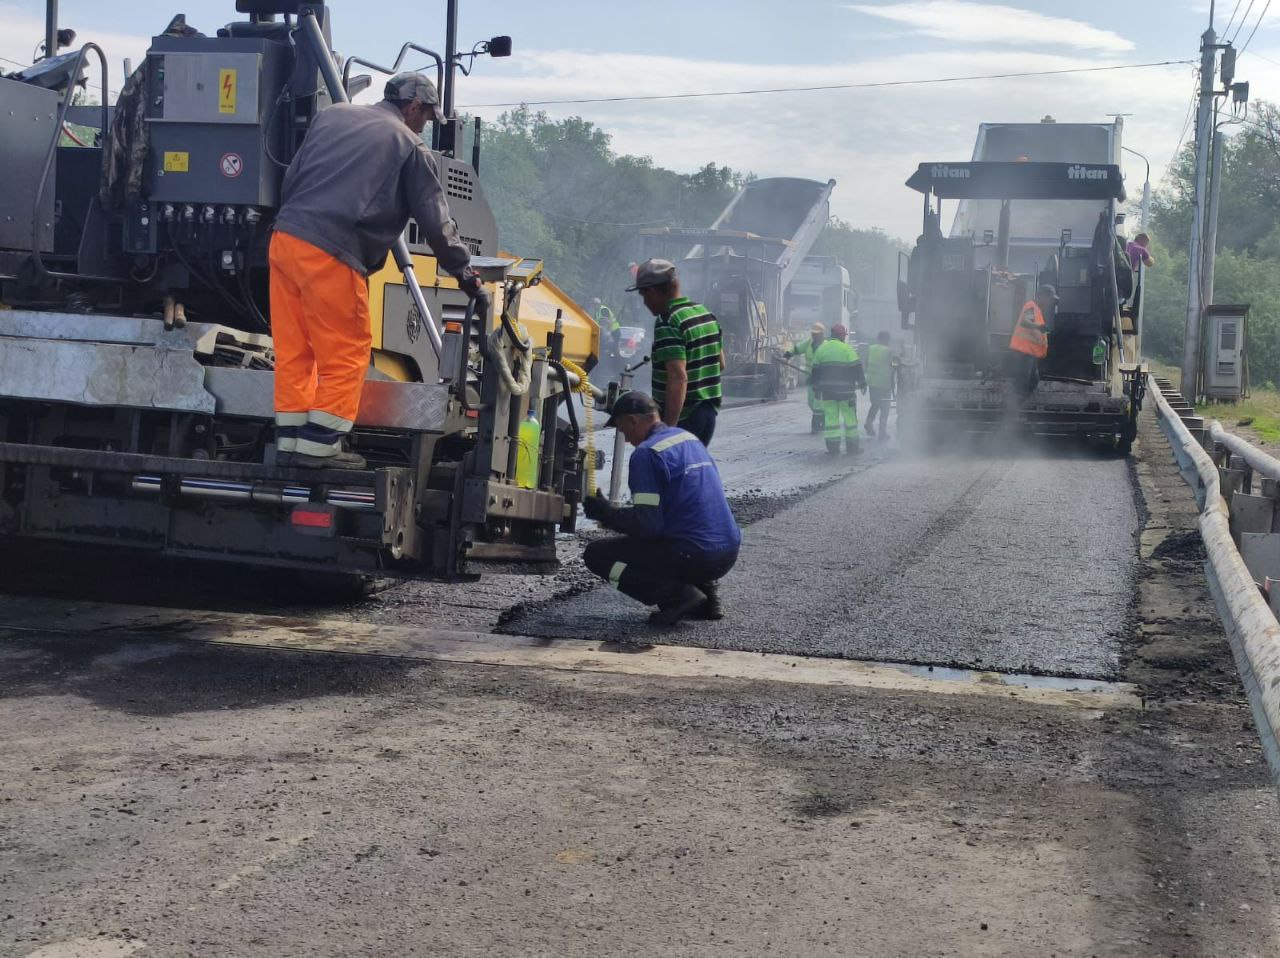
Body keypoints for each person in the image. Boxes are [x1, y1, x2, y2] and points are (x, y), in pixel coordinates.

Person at [269, 72, 485, 469]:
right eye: (426, 116)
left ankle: (290, 442)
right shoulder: (408, 145)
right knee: (348, 351)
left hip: (285, 241)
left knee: (295, 349)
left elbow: (292, 178)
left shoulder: (332, 117)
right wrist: (467, 275)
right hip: (332, 251)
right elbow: (437, 223)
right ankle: (320, 448)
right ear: (414, 107)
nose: (425, 125)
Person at [582, 392, 741, 626]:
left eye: (623, 429)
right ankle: (709, 598)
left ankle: (679, 597)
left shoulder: (646, 454)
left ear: (633, 420)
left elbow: (648, 526)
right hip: (726, 552)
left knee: (596, 555)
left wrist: (607, 513)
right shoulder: (688, 438)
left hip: (695, 555)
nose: (625, 439)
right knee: (686, 526)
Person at [629, 258, 725, 446]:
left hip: (684, 418)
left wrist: (666, 431)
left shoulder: (668, 321)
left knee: (669, 472)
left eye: (644, 295)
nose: (645, 302)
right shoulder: (703, 312)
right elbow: (720, 363)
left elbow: (678, 378)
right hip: (708, 414)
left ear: (654, 291)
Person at [809, 323, 866, 455]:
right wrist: (862, 384)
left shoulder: (822, 350)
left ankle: (833, 448)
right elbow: (857, 367)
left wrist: (816, 387)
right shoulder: (847, 349)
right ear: (841, 336)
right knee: (850, 419)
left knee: (831, 420)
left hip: (828, 392)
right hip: (846, 392)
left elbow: (815, 371)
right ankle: (852, 448)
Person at [1009, 285, 1055, 395]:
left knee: (1032, 381)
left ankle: (1018, 405)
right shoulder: (1031, 306)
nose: (1050, 301)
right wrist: (1039, 327)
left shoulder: (1037, 309)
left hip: (1030, 353)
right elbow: (1025, 322)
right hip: (1024, 352)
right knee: (1023, 383)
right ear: (1042, 296)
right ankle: (1013, 406)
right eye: (1050, 298)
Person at [784, 322, 826, 434]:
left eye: (816, 334)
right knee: (811, 402)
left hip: (822, 379)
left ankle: (819, 423)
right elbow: (797, 349)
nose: (814, 336)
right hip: (811, 378)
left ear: (822, 334)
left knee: (818, 402)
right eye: (813, 333)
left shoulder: (827, 346)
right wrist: (787, 355)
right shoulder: (808, 343)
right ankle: (822, 417)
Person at [864, 330, 897, 440]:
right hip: (884, 383)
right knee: (885, 408)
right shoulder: (890, 351)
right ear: (887, 340)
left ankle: (868, 423)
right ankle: (882, 432)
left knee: (875, 404)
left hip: (872, 383)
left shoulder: (871, 348)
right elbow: (895, 365)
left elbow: (866, 363)